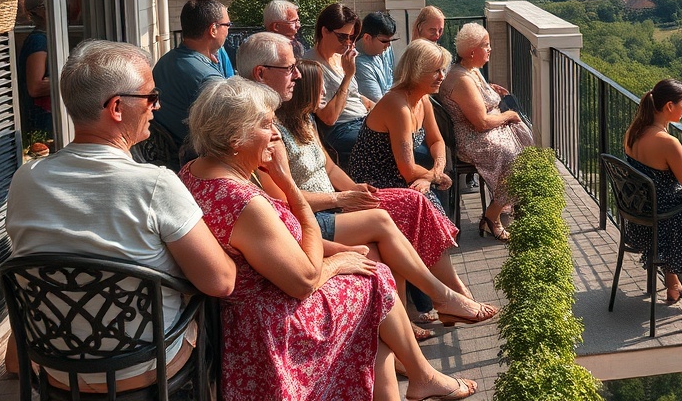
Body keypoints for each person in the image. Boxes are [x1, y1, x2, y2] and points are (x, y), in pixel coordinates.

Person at [182, 77, 479, 401]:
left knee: (370, 274)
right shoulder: (242, 200)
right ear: (234, 138)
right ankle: (423, 370)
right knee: (375, 281)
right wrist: (294, 192)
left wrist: (342, 250)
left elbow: (275, 239)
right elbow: (303, 281)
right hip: (270, 325)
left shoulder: (195, 171)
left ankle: (422, 371)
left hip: (255, 303)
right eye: (266, 125)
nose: (274, 134)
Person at [6, 40, 236, 392]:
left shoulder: (25, 179)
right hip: (142, 367)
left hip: (56, 365)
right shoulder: (155, 184)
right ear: (116, 107)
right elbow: (220, 281)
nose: (156, 107)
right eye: (150, 97)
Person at [275, 59, 494, 338]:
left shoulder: (306, 122)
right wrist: (342, 198)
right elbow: (282, 197)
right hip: (320, 212)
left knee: (413, 204)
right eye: (320, 88)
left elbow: (329, 168)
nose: (324, 95)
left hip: (340, 199)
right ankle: (444, 299)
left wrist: (357, 190)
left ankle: (435, 303)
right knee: (406, 209)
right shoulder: (278, 133)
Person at [622, 78, 682, 315]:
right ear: (669, 107)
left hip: (637, 217)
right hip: (661, 221)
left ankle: (673, 284)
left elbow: (659, 174)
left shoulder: (634, 131)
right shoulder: (668, 142)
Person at [438, 23, 532, 242]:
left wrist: (489, 89)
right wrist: (509, 116)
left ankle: (513, 200)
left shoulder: (469, 69)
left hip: (478, 132)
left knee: (521, 145)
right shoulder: (461, 80)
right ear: (472, 51)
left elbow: (475, 100)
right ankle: (491, 217)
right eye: (486, 45)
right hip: (472, 139)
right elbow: (480, 123)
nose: (490, 49)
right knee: (514, 157)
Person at [348, 40, 454, 213]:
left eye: (442, 69)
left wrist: (435, 172)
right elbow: (409, 171)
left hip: (398, 176)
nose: (442, 76)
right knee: (430, 209)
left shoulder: (423, 100)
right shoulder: (398, 105)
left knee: (431, 205)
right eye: (436, 71)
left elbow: (437, 141)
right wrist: (435, 177)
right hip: (375, 184)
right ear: (417, 71)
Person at [152, 0, 232, 169]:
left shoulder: (164, 62)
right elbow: (225, 137)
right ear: (213, 29)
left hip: (161, 158)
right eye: (227, 25)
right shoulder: (209, 79)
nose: (228, 31)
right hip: (192, 167)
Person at [304, 3, 372, 163]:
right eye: (342, 36)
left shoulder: (341, 57)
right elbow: (329, 118)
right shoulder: (311, 65)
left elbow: (355, 96)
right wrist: (348, 76)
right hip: (342, 129)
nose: (348, 42)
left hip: (362, 120)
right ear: (324, 31)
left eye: (352, 37)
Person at [16, 0, 52, 141]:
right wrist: (70, 80)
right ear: (41, 11)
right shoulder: (38, 40)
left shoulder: (47, 37)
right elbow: (35, 88)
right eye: (49, 5)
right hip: (42, 119)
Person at [355, 10, 398, 103]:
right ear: (367, 38)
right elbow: (378, 104)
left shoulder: (385, 50)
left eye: (391, 41)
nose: (388, 45)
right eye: (384, 41)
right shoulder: (359, 63)